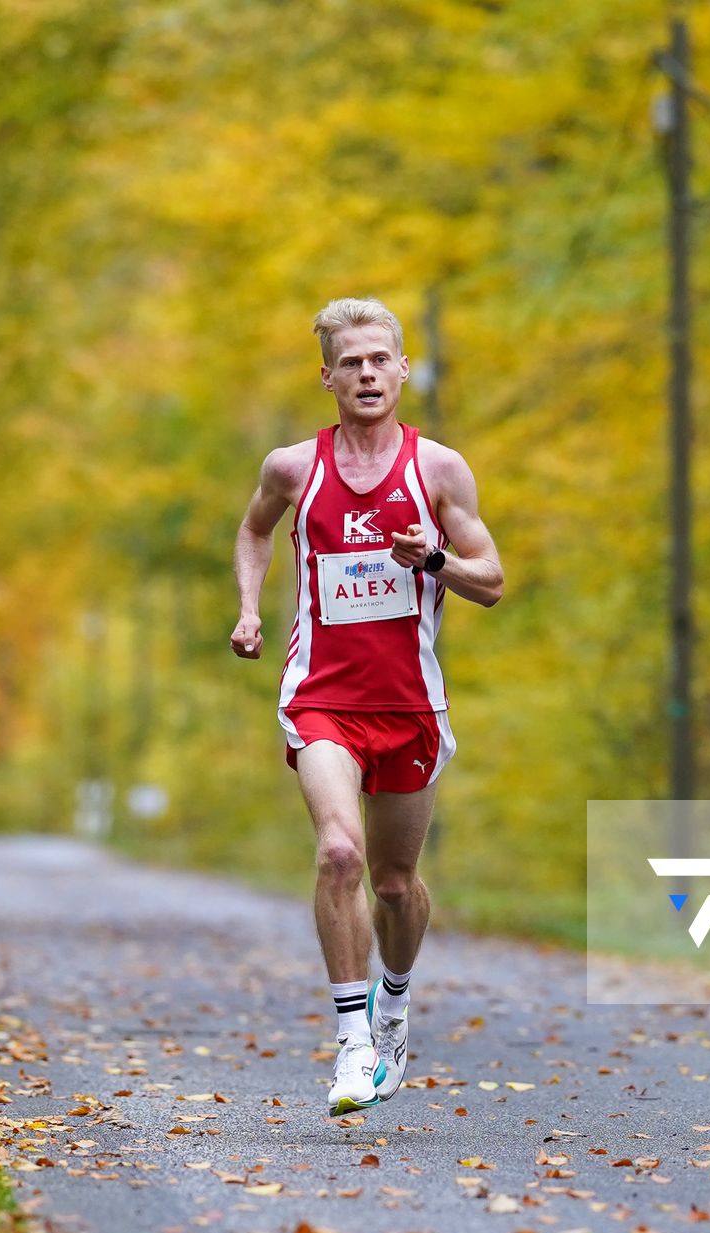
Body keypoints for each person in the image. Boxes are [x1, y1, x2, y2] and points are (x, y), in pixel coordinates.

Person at [230, 298, 504, 1115]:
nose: (366, 374)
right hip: (322, 698)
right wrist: (250, 607)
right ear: (327, 377)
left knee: (393, 884)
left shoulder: (440, 470)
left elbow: (492, 580)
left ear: (403, 369)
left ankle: (394, 1000)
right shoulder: (292, 467)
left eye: (379, 359)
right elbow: (252, 532)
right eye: (350, 363)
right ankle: (352, 1046)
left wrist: (436, 560)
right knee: (339, 855)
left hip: (410, 705)